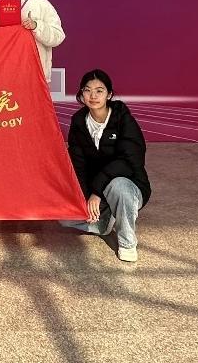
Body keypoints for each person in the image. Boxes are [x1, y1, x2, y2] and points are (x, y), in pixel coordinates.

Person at [60, 69, 151, 262]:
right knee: (64, 217)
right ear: (81, 94)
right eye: (87, 90)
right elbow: (78, 164)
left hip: (128, 186)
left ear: (109, 94)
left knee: (119, 187)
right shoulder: (79, 121)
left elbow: (129, 161)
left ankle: (127, 242)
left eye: (99, 90)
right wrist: (84, 200)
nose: (93, 96)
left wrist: (96, 193)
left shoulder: (123, 118)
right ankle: (104, 222)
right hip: (97, 191)